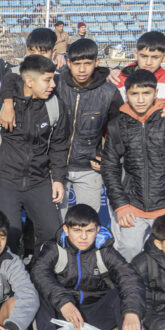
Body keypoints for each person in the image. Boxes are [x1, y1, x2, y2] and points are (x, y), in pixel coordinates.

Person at [30, 204, 162, 330]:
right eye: (77, 230)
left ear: (97, 230)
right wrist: (64, 303)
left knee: (120, 294)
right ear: (66, 230)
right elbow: (39, 273)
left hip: (92, 316)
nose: (83, 237)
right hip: (61, 316)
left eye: (90, 231)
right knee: (39, 288)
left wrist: (131, 312)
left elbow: (129, 277)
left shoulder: (104, 249)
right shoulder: (54, 248)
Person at [101, 70, 165, 261]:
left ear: (155, 93)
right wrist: (121, 205)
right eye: (134, 94)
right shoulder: (116, 125)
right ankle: (131, 290)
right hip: (132, 208)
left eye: (146, 93)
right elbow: (110, 167)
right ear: (125, 94)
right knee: (129, 252)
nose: (140, 99)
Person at [0, 55, 70, 253]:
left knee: (53, 232)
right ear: (29, 81)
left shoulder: (55, 106)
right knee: (8, 234)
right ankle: (7, 277)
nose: (53, 84)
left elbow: (59, 146)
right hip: (5, 180)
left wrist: (58, 179)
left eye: (53, 79)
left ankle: (39, 272)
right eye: (47, 80)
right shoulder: (3, 103)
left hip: (38, 179)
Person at [55, 38, 123, 215]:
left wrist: (106, 157)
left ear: (97, 62)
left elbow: (118, 132)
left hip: (89, 168)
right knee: (56, 222)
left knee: (88, 221)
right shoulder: (56, 85)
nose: (82, 69)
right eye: (77, 63)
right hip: (56, 166)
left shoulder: (109, 92)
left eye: (87, 63)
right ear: (68, 63)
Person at [114, 31, 165, 110]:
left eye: (155, 57)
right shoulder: (118, 80)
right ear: (135, 54)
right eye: (144, 56)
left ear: (164, 57)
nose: (148, 62)